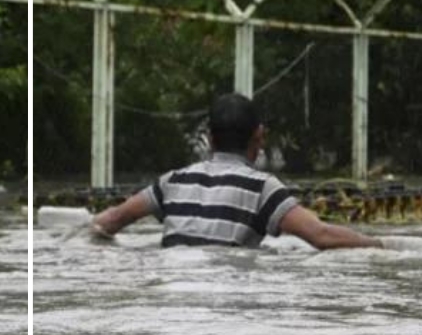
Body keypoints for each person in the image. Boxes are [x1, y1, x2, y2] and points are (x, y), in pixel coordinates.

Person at [91, 92, 382, 250]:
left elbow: (109, 222)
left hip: (173, 296)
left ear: (210, 138)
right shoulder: (262, 189)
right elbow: (321, 235)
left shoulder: (173, 181)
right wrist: (383, 244)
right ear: (260, 137)